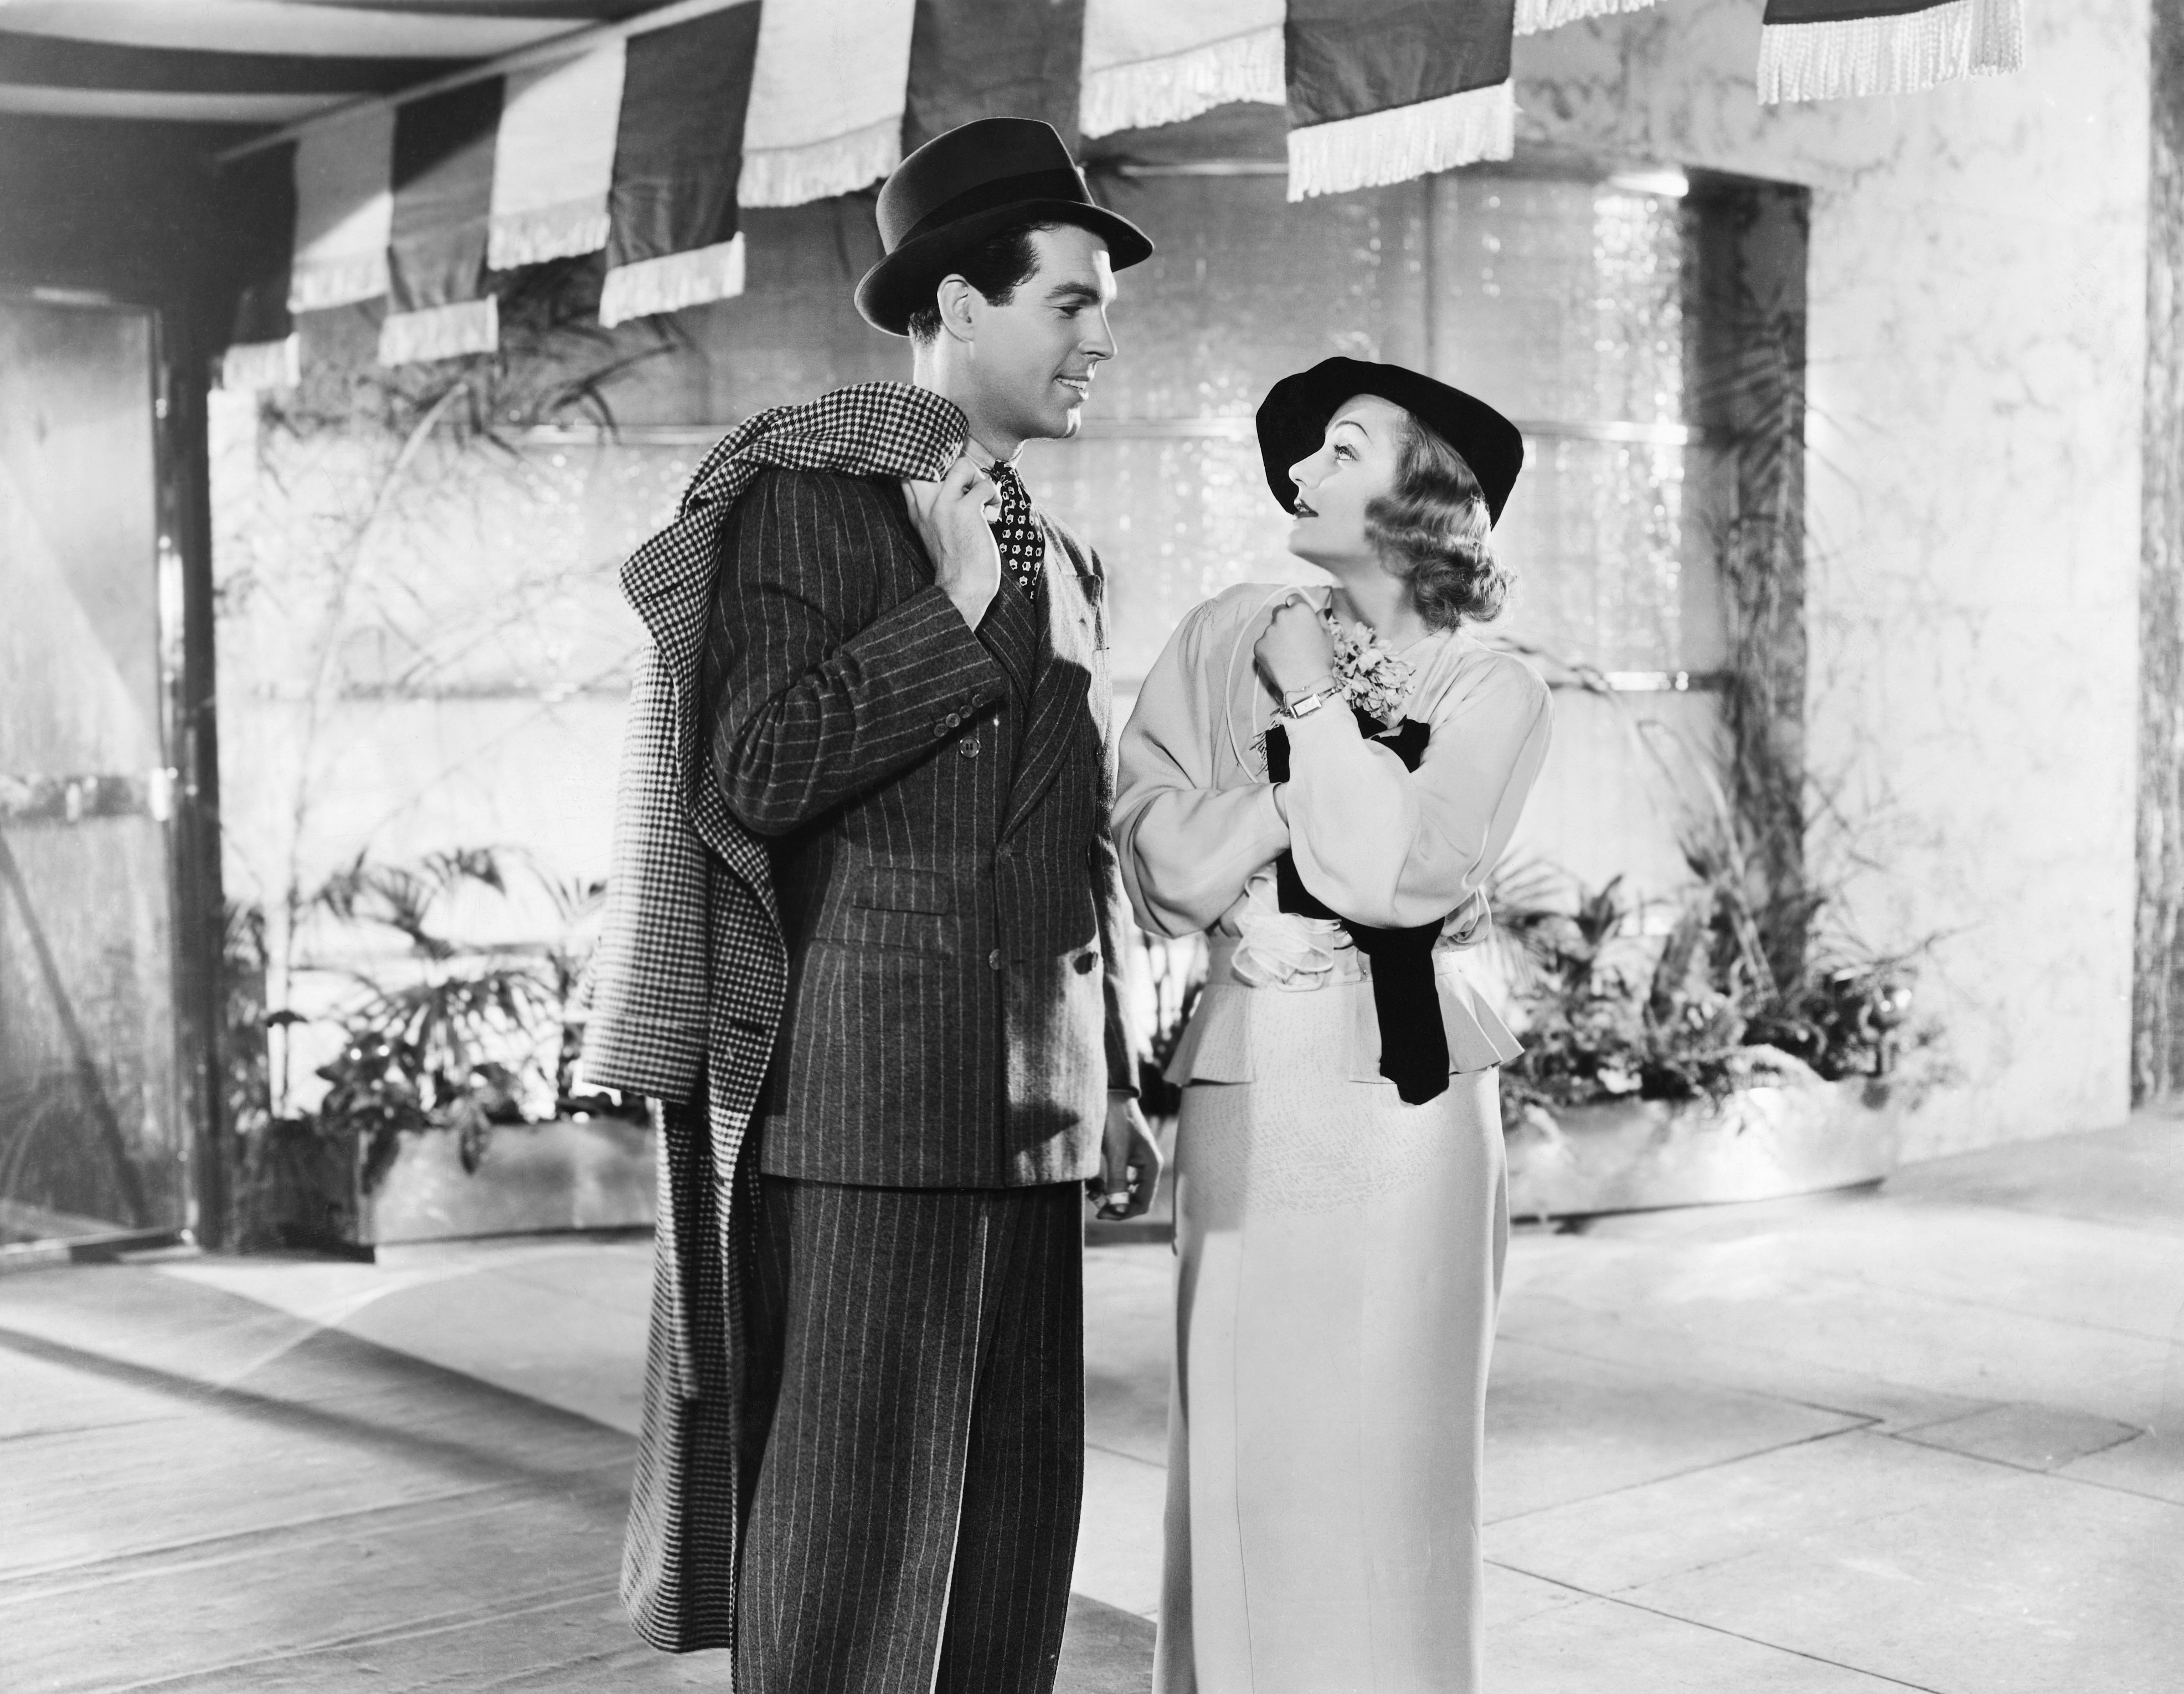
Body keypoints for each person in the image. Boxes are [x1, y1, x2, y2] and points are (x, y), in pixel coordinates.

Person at [581, 117, 1162, 1694]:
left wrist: (1106, 1075)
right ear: (959, 308)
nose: (1101, 337)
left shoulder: (1071, 549)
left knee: (1013, 1525)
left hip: (1032, 1111)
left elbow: (1075, 845)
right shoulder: (810, 500)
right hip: (859, 1102)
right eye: (1072, 300)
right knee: (851, 1549)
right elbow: (754, 772)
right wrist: (955, 611)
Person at [1115, 358, 1553, 1693]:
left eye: (1343, 450)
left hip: (1406, 1104)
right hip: (1259, 1074)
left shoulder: (1494, 689)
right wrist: (1254, 852)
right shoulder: (1226, 629)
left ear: (1427, 495)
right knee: (1247, 1440)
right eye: (1305, 453)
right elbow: (1148, 840)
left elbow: (1395, 878)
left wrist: (1312, 705)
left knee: (1390, 1444)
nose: (1299, 472)